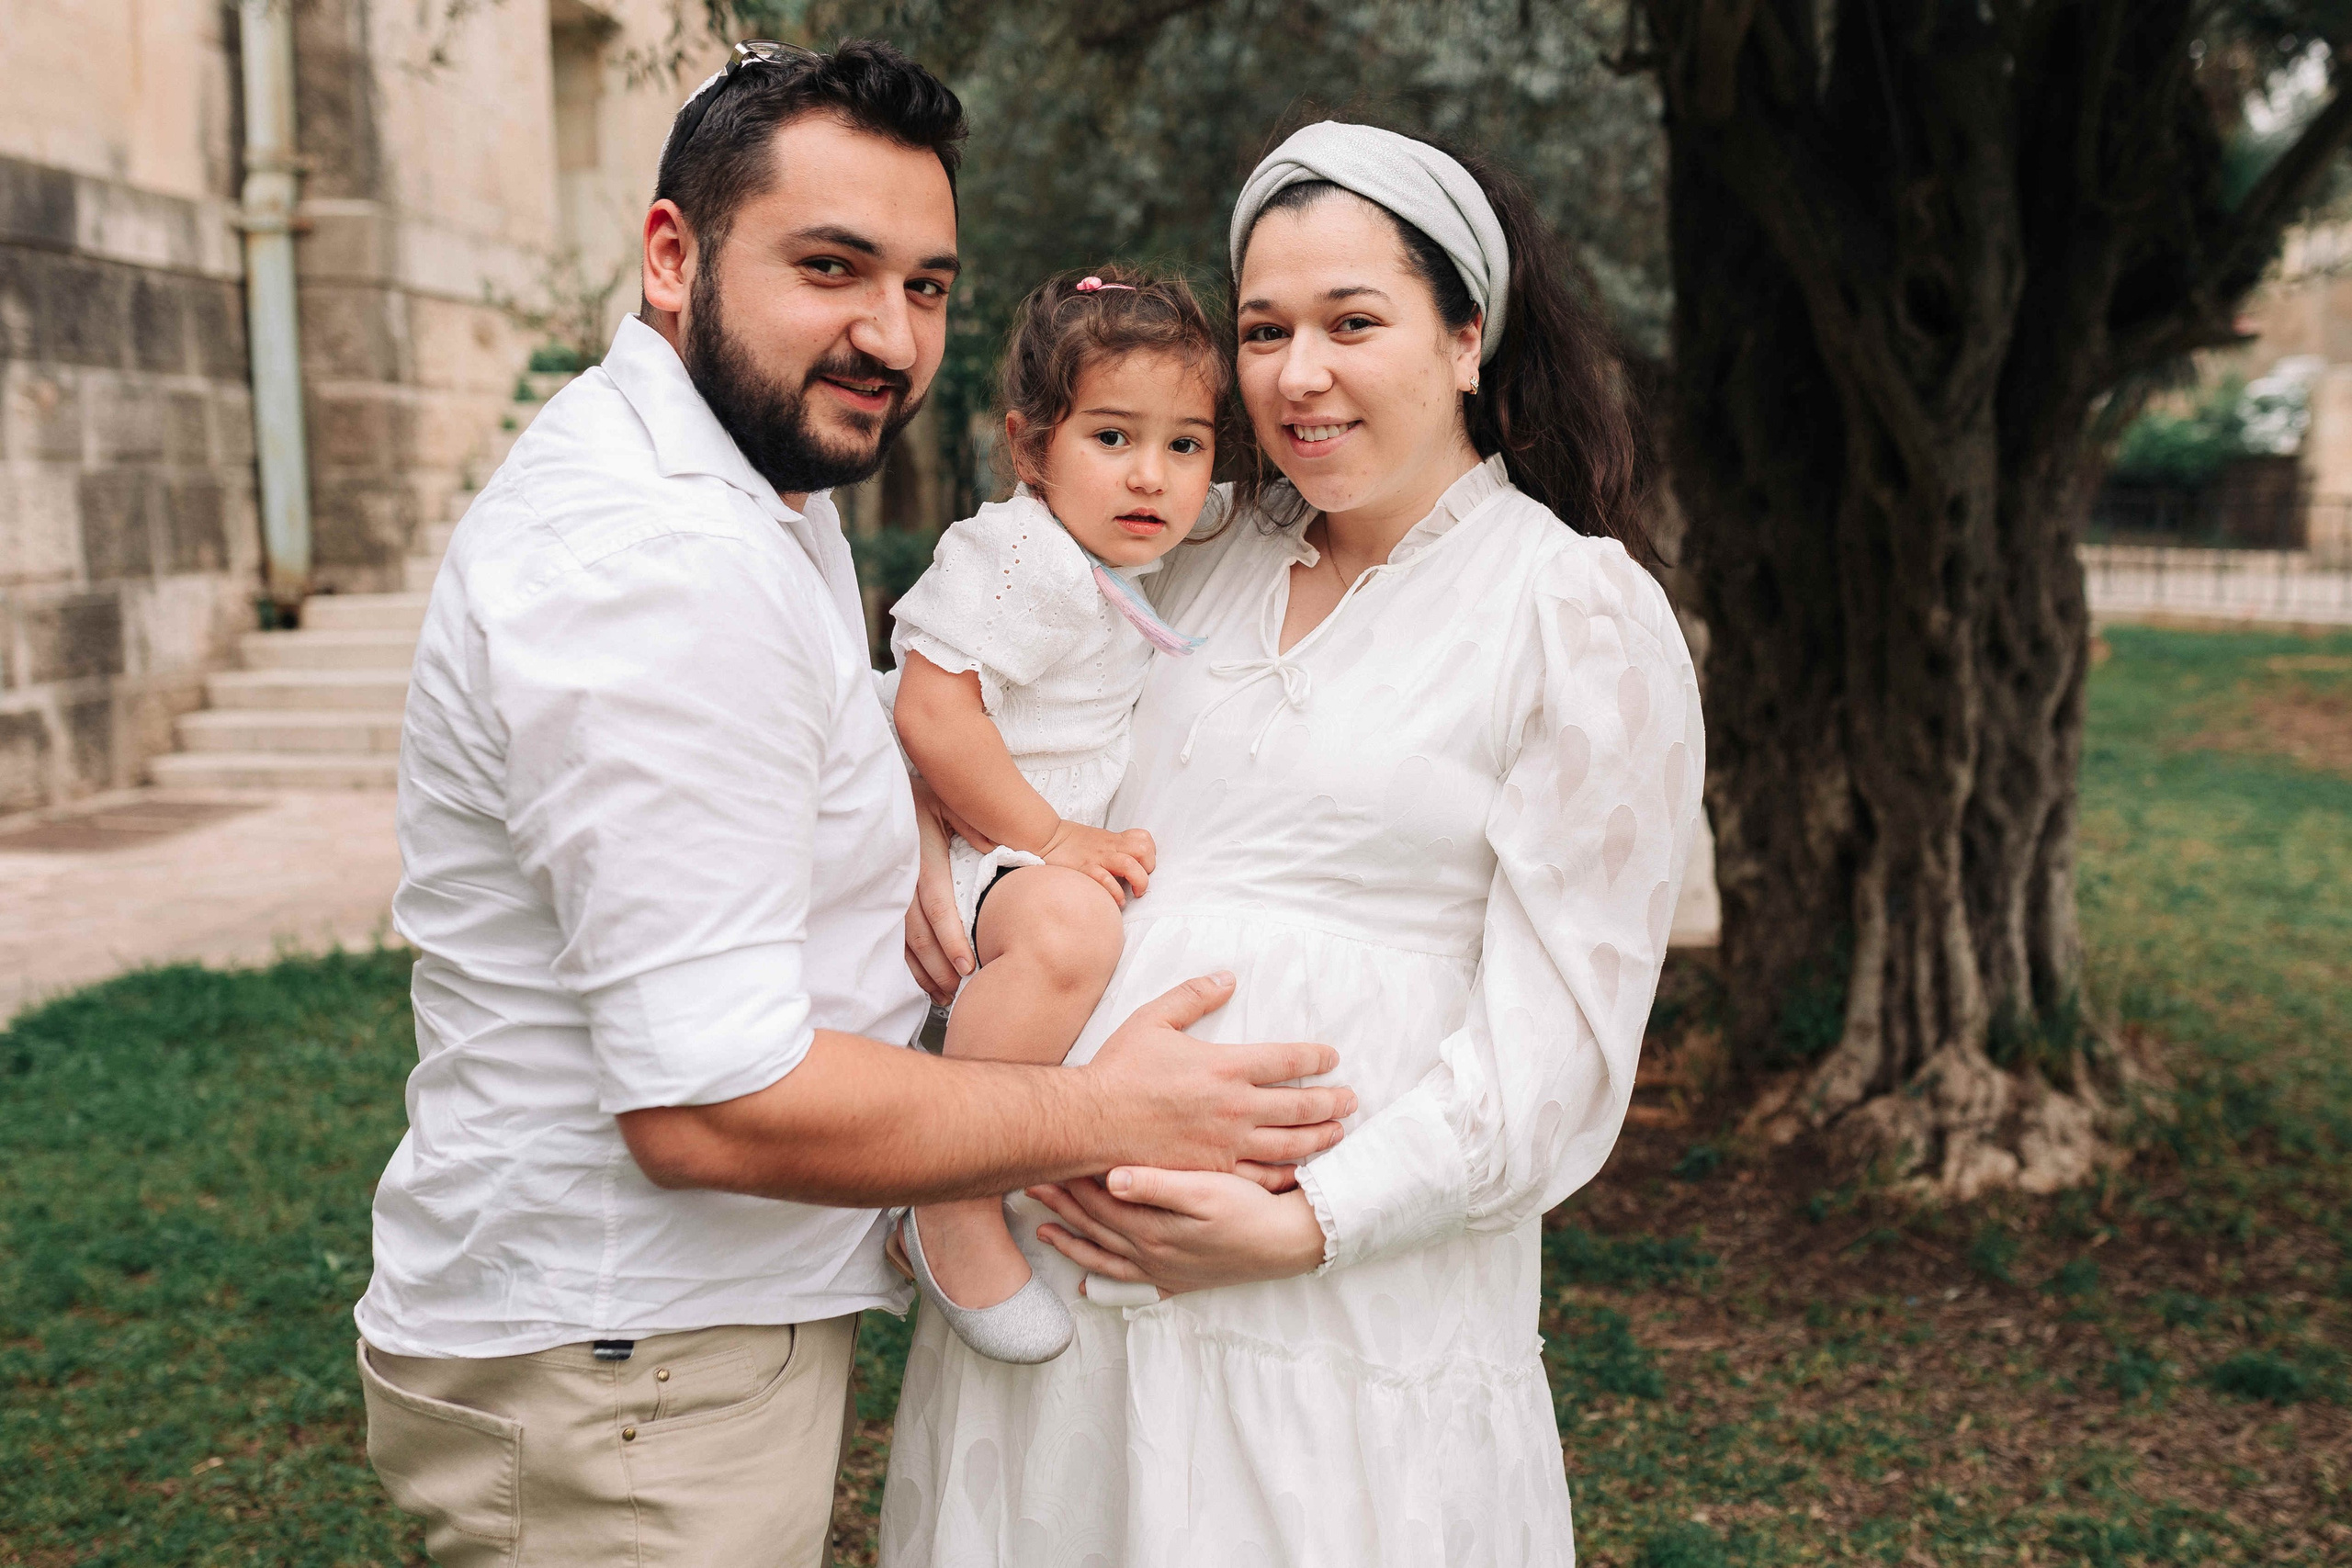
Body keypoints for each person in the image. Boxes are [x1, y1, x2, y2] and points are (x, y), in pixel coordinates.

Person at [352, 44, 1351, 1568]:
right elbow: (708, 1104)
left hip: (660, 1351)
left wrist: (906, 840)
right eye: (830, 268)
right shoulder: (660, 564)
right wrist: (1117, 1115)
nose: (888, 334)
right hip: (630, 1380)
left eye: (928, 286)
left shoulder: (749, 478)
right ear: (673, 254)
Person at [883, 121, 1706, 1567]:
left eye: (1352, 322)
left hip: (1337, 1308)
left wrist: (1304, 1221)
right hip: (1064, 1271)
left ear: (1467, 337)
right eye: (1263, 329)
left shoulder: (1572, 610)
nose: (1297, 374)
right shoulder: (1185, 545)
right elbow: (965, 690)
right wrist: (920, 836)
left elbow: (1561, 1049)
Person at [887, 266, 1232, 1365]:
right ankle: (944, 1193)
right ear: (1033, 448)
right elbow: (934, 711)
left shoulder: (1121, 540)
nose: (1153, 476)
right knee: (1075, 928)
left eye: (1186, 445)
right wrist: (1050, 841)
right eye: (1113, 437)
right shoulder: (1029, 556)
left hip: (1020, 840)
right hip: (988, 841)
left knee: (1085, 927)